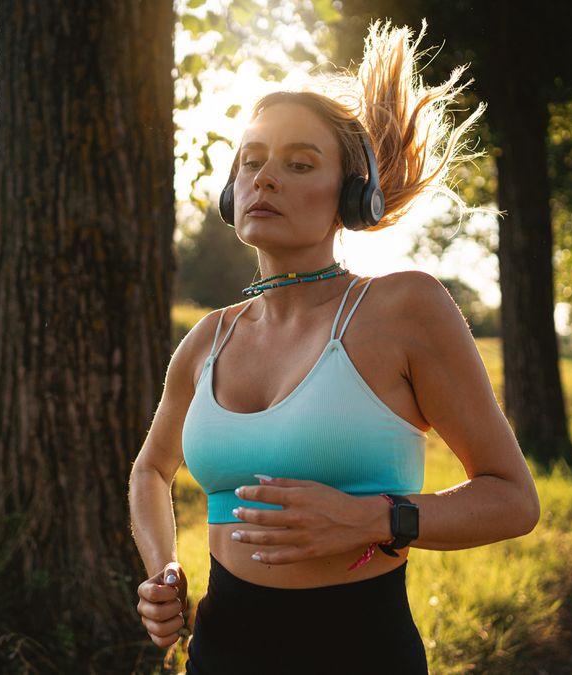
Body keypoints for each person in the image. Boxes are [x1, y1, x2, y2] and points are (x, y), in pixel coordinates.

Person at [128, 19, 540, 673]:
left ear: (352, 195)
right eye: (253, 160)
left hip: (360, 651)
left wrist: (377, 518)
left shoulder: (404, 308)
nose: (265, 178)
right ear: (232, 191)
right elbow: (150, 469)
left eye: (300, 163)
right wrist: (163, 568)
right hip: (219, 652)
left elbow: (513, 497)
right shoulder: (209, 337)